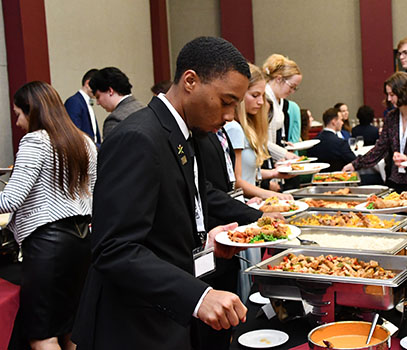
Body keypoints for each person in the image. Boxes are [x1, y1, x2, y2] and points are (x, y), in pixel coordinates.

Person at [72, 37, 255, 350]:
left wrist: (207, 244)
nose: (230, 116)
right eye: (226, 102)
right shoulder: (138, 137)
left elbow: (168, 221)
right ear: (190, 81)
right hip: (132, 327)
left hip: (165, 319)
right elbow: (115, 248)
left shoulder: (184, 132)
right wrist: (199, 296)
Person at [1, 81, 97, 350]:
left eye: (18, 113)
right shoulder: (84, 141)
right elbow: (94, 193)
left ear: (32, 111)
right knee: (69, 330)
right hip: (81, 242)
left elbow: (11, 199)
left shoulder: (35, 141)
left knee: (42, 335)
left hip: (48, 247)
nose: (18, 122)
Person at [342, 71, 407, 192]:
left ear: (403, 92)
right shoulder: (391, 117)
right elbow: (380, 148)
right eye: (388, 94)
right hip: (393, 179)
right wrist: (355, 165)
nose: (389, 99)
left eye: (392, 94)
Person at [224, 63, 295, 200]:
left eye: (262, 96)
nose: (261, 102)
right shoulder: (234, 128)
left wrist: (274, 174)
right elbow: (237, 181)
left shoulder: (246, 128)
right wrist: (273, 195)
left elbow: (248, 172)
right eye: (255, 95)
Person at [262, 54, 302, 161]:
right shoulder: (265, 100)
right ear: (279, 79)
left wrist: (283, 144)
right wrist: (284, 153)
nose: (292, 91)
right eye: (291, 86)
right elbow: (262, 140)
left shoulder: (278, 100)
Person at [89, 67, 145, 139]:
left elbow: (110, 150)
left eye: (98, 97)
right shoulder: (144, 108)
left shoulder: (115, 120)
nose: (97, 103)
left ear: (110, 91)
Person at [64, 68, 102, 147]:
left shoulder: (86, 101)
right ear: (88, 83)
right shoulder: (74, 102)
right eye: (97, 87)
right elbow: (75, 134)